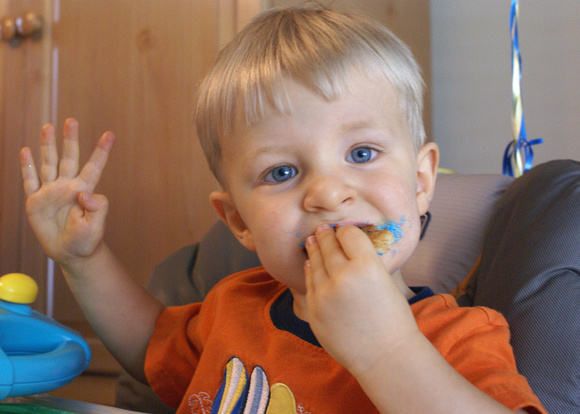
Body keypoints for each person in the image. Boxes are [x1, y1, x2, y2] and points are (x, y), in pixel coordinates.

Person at [20, 6, 546, 414]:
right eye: (282, 172)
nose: (326, 194)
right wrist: (83, 261)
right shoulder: (234, 308)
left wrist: (387, 350)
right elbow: (148, 349)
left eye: (361, 154)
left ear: (421, 180)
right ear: (239, 222)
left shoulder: (460, 337)